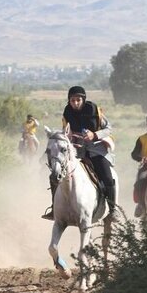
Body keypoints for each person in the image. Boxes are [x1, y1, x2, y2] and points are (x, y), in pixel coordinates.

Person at [42, 86, 119, 221]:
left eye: (78, 100)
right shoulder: (67, 114)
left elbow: (109, 129)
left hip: (96, 150)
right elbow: (66, 134)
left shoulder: (95, 111)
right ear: (69, 101)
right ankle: (55, 208)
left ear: (83, 100)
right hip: (77, 151)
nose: (75, 103)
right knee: (55, 174)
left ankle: (113, 211)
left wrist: (94, 135)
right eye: (72, 100)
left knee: (107, 177)